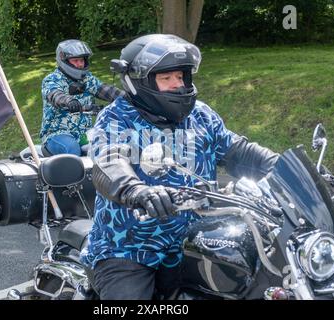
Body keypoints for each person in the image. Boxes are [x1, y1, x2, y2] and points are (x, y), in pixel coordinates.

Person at [80, 34, 278, 300]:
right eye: (166, 78)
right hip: (128, 250)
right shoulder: (117, 117)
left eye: (181, 76)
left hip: (194, 243)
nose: (178, 84)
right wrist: (136, 191)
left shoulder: (201, 116)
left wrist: (283, 166)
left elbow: (238, 152)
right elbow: (108, 161)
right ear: (139, 81)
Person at [40, 39, 125, 156]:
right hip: (57, 134)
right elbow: (55, 95)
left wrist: (130, 97)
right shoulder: (52, 80)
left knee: (114, 145)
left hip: (84, 134)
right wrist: (68, 100)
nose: (80, 64)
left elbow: (106, 90)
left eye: (81, 60)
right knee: (72, 148)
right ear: (63, 60)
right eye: (75, 60)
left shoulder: (87, 79)